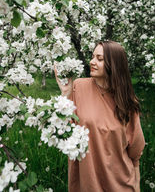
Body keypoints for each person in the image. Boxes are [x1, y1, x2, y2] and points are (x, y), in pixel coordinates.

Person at [54, 40, 145, 192]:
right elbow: (64, 131)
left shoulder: (127, 102)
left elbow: (135, 154)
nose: (92, 61)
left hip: (120, 183)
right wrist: (65, 94)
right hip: (87, 181)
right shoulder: (79, 87)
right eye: (92, 56)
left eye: (99, 59)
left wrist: (137, 186)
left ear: (114, 64)